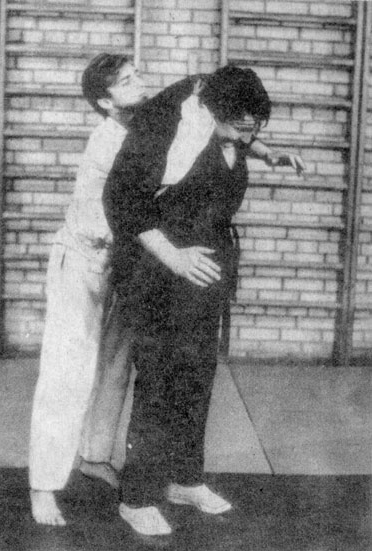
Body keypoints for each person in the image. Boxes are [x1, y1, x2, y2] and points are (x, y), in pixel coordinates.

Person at [104, 66, 305, 536]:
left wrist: (268, 152)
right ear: (210, 112)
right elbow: (122, 201)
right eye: (239, 128)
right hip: (160, 266)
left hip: (205, 268)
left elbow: (239, 128)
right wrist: (174, 258)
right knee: (159, 379)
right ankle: (136, 498)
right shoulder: (162, 128)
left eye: (254, 128)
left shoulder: (223, 110)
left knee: (197, 374)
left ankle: (185, 480)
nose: (245, 137)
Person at [29, 53, 148, 526]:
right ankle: (43, 486)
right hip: (80, 261)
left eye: (137, 74)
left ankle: (95, 455)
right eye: (126, 80)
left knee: (117, 362)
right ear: (105, 101)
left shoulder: (140, 127)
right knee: (67, 374)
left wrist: (261, 151)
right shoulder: (107, 141)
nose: (139, 82)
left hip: (119, 261)